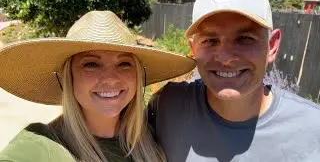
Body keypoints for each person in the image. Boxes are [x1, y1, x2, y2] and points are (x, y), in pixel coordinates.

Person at [149, 0, 320, 161]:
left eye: (245, 38)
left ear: (272, 46)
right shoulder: (167, 106)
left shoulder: (313, 129)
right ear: (194, 49)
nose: (225, 57)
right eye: (210, 40)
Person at [0, 11, 195, 162]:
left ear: (137, 75)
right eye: (91, 64)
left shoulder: (149, 138)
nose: (110, 79)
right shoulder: (38, 147)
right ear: (69, 76)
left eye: (124, 64)